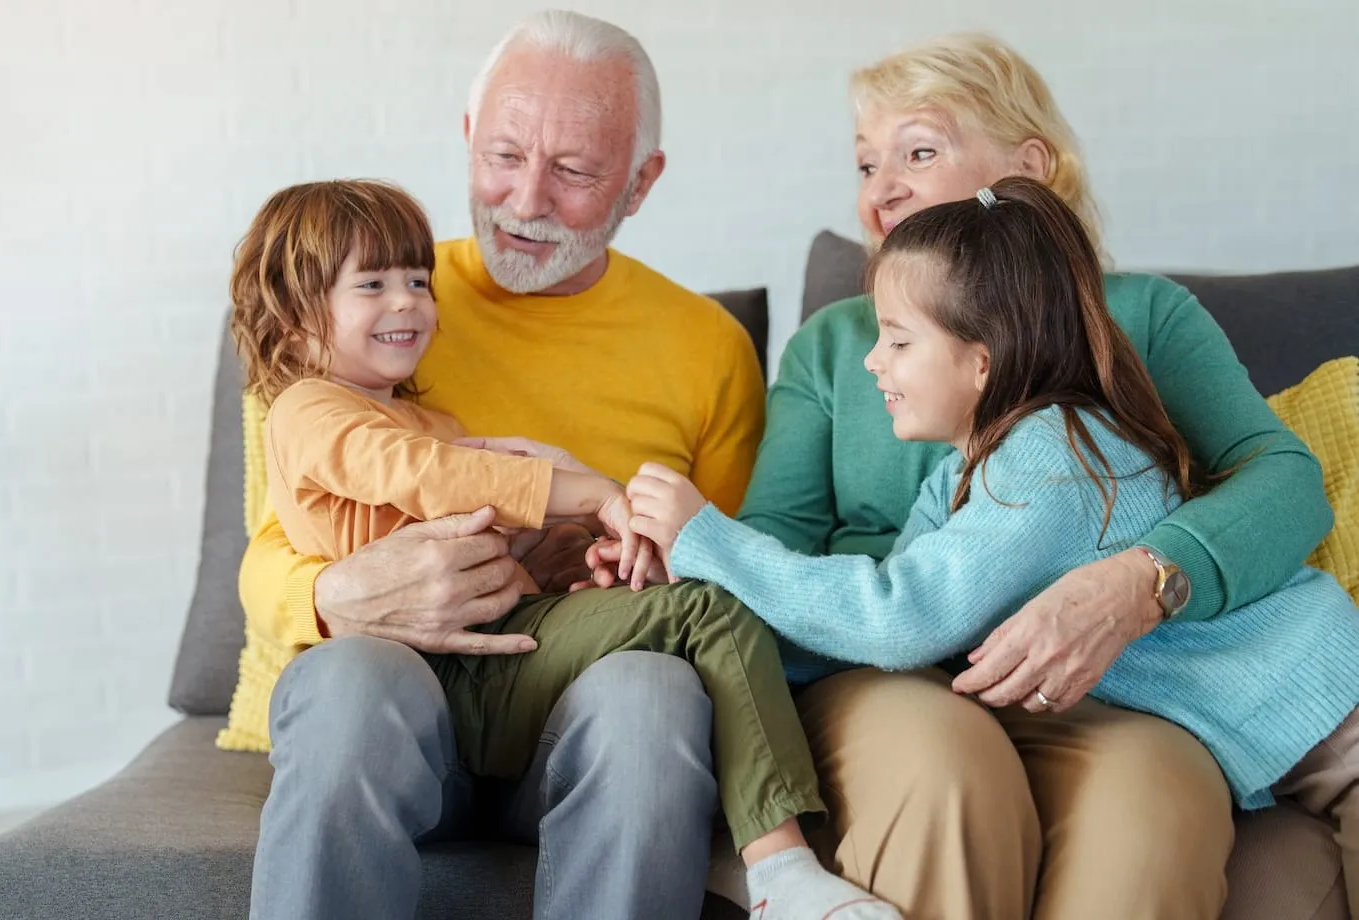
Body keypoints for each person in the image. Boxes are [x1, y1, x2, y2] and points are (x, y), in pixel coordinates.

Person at [588, 33, 1336, 920]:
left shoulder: (1111, 356)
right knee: (948, 765)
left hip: (1096, 673)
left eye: (919, 150)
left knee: (1155, 796)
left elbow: (1285, 480)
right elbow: (846, 580)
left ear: (1031, 169)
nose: (881, 189)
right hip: (887, 660)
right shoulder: (838, 352)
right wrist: (692, 562)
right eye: (867, 163)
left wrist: (1140, 582)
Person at [233, 177, 897, 920]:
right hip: (422, 688)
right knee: (705, 611)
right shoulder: (308, 408)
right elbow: (423, 478)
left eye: (417, 281)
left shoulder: (439, 421)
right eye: (374, 285)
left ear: (640, 176)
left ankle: (778, 867)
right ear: (292, 319)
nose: (409, 301)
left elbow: (490, 531)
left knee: (671, 651)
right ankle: (780, 867)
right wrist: (587, 489)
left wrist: (578, 553)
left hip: (503, 673)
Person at [228, 12, 766, 920]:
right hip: (395, 713)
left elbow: (718, 571)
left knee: (656, 687)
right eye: (506, 156)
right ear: (469, 136)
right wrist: (327, 599)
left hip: (562, 707)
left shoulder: (709, 350)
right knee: (352, 676)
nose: (525, 201)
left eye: (575, 171)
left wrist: (590, 560)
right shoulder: (344, 312)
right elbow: (269, 548)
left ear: (642, 182)